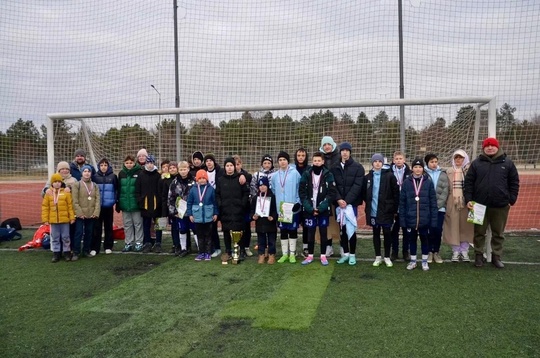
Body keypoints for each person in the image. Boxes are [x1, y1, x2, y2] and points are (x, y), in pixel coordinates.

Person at [464, 137, 519, 269]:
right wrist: (469, 200)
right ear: (483, 148)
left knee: (498, 233)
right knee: (478, 233)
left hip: (500, 205)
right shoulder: (476, 163)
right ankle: (478, 256)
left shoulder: (508, 163)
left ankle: (496, 256)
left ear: (497, 147)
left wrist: (511, 199)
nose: (489, 148)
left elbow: (514, 182)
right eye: (487, 146)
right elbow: (469, 183)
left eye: (492, 145)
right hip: (478, 205)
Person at [298, 151, 336, 266]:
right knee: (311, 232)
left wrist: (321, 208)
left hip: (323, 209)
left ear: (323, 162)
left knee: (323, 233)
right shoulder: (306, 174)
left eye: (319, 161)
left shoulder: (328, 174)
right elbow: (302, 192)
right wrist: (309, 208)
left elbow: (331, 193)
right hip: (310, 209)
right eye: (315, 160)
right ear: (312, 161)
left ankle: (323, 256)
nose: (317, 162)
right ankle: (310, 255)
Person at [399, 158, 438, 271]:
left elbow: (433, 202)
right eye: (415, 167)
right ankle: (413, 261)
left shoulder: (428, 182)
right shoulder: (406, 183)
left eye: (420, 167)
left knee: (425, 239)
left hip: (424, 218)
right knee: (412, 240)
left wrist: (433, 220)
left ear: (423, 169)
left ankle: (425, 261)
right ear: (412, 168)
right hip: (410, 218)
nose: (418, 169)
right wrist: (403, 220)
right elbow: (402, 203)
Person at [362, 153, 399, 268]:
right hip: (373, 211)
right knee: (376, 233)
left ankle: (387, 256)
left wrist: (393, 209)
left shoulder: (390, 176)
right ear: (372, 163)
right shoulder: (367, 177)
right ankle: (378, 256)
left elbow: (396, 193)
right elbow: (364, 193)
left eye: (379, 161)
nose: (377, 163)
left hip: (387, 211)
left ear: (383, 163)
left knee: (387, 233)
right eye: (375, 161)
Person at [332, 142, 365, 265]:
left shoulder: (358, 167)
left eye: (347, 150)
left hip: (351, 205)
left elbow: (357, 185)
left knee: (351, 228)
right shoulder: (335, 167)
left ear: (350, 152)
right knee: (342, 229)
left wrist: (347, 201)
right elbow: (332, 185)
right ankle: (345, 254)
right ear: (340, 152)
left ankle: (352, 255)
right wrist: (339, 199)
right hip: (339, 204)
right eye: (343, 150)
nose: (345, 152)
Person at [216, 157, 250, 264]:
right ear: (224, 167)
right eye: (227, 166)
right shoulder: (221, 180)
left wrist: (242, 204)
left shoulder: (240, 178)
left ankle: (241, 250)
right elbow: (217, 194)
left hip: (238, 210)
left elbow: (246, 192)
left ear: (234, 167)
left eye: (231, 165)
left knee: (239, 231)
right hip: (225, 210)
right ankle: (228, 251)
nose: (229, 168)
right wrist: (220, 204)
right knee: (226, 231)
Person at [271, 151, 302, 263]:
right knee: (283, 230)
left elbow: (300, 188)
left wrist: (298, 202)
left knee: (293, 230)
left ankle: (292, 254)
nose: (282, 162)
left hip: (292, 207)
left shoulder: (295, 174)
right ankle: (285, 254)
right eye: (280, 160)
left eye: (284, 159)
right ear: (278, 162)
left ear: (288, 161)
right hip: (282, 208)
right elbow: (274, 190)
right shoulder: (274, 176)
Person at [443, 149, 473, 262]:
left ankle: (464, 251)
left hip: (467, 202)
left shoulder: (470, 171)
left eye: (461, 157)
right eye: (456, 157)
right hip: (452, 202)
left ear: (465, 159)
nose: (458, 160)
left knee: (466, 227)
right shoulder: (448, 171)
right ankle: (455, 251)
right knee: (453, 226)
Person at [41, 173, 75, 262]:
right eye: (55, 182)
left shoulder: (66, 193)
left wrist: (72, 218)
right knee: (55, 237)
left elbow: (70, 206)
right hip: (53, 220)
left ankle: (67, 252)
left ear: (61, 183)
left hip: (65, 220)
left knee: (66, 237)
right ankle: (56, 253)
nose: (57, 183)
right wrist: (45, 219)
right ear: (52, 183)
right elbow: (45, 207)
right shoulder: (48, 193)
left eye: (59, 182)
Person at [186, 170, 218, 261]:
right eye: (200, 178)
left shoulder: (211, 189)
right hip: (197, 217)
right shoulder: (193, 189)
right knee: (200, 236)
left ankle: (208, 253)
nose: (202, 180)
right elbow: (189, 203)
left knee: (208, 236)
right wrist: (190, 214)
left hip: (208, 216)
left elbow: (215, 202)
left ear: (207, 179)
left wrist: (215, 213)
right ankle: (201, 253)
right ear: (197, 179)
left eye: (204, 178)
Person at [424, 153, 449, 264]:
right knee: (429, 230)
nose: (434, 164)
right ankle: (429, 252)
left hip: (440, 209)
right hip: (427, 209)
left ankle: (436, 252)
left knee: (438, 230)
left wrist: (437, 206)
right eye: (431, 162)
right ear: (427, 163)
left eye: (435, 162)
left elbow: (445, 191)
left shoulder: (443, 174)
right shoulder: (423, 174)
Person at [71, 165, 101, 260]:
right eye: (85, 171)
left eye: (89, 171)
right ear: (82, 173)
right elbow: (74, 201)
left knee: (89, 233)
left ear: (91, 173)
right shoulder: (77, 185)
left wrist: (96, 212)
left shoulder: (95, 185)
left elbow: (97, 200)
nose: (87, 173)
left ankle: (86, 250)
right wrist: (79, 213)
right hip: (81, 215)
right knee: (78, 233)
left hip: (91, 214)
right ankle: (76, 252)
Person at [168, 161, 195, 256]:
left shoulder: (194, 181)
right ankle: (183, 248)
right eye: (181, 170)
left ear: (188, 169)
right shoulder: (174, 182)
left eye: (185, 169)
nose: (183, 171)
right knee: (182, 229)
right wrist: (173, 211)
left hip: (192, 211)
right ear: (178, 170)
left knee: (195, 229)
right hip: (180, 211)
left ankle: (200, 248)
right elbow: (171, 197)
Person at [135, 155, 162, 253]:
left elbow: (161, 190)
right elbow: (137, 190)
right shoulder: (141, 175)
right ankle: (147, 242)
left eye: (151, 163)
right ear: (145, 164)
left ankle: (158, 243)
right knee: (146, 224)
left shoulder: (158, 175)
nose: (150, 165)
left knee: (158, 225)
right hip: (145, 205)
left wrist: (159, 201)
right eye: (148, 163)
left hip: (156, 205)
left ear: (154, 164)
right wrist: (140, 201)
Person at [91, 158, 118, 255]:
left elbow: (116, 190)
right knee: (96, 227)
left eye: (105, 165)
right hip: (98, 207)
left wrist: (115, 201)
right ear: (99, 166)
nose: (103, 167)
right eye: (101, 165)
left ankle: (108, 246)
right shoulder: (94, 177)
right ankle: (95, 248)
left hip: (108, 206)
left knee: (108, 226)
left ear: (108, 166)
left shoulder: (113, 177)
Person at [117, 155, 144, 252]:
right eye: (127, 163)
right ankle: (128, 242)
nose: (129, 165)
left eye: (131, 163)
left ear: (134, 163)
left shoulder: (139, 172)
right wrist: (119, 203)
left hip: (136, 204)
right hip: (125, 204)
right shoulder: (121, 173)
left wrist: (140, 201)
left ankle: (139, 242)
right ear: (124, 163)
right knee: (127, 224)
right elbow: (119, 189)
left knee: (138, 224)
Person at [320, 136, 341, 256]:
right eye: (324, 145)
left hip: (338, 195)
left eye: (329, 144)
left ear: (332, 144)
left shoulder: (339, 157)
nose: (327, 146)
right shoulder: (320, 158)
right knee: (327, 222)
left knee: (341, 222)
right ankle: (328, 246)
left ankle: (344, 247)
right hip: (325, 196)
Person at [390, 151, 412, 261]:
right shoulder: (389, 172)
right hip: (394, 206)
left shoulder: (410, 173)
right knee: (394, 230)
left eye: (400, 158)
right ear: (393, 160)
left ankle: (405, 251)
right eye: (396, 159)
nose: (398, 160)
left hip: (406, 206)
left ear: (404, 160)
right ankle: (394, 251)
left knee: (406, 230)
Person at [251, 176, 278, 264]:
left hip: (270, 223)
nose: (262, 187)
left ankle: (271, 254)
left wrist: (273, 217)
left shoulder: (272, 197)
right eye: (260, 185)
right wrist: (253, 216)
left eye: (264, 185)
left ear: (267, 186)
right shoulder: (255, 198)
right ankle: (261, 255)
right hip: (260, 223)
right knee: (261, 240)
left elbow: (275, 210)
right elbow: (252, 210)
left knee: (271, 240)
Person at [234, 155, 254, 257]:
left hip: (245, 206)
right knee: (237, 228)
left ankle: (246, 247)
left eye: (238, 164)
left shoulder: (248, 176)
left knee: (247, 227)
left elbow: (251, 191)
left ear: (241, 164)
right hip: (234, 207)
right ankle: (238, 248)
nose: (236, 166)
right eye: (234, 164)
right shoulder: (229, 176)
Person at [293, 148, 311, 258]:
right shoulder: (291, 169)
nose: (300, 157)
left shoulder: (310, 169)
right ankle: (293, 249)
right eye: (299, 155)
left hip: (305, 201)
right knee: (293, 225)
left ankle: (305, 247)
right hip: (294, 202)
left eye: (303, 155)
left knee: (306, 226)